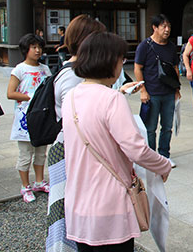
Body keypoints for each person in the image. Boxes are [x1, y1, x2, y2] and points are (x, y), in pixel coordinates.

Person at [62, 32, 171, 251]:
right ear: (109, 61)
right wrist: (163, 164)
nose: (122, 66)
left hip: (77, 201)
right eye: (122, 60)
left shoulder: (71, 97)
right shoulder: (112, 99)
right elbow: (136, 149)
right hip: (109, 203)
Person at [46, 14, 141, 252]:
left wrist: (116, 93)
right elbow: (83, 117)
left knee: (84, 214)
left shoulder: (81, 74)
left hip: (81, 147)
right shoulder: (71, 76)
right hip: (75, 149)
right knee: (81, 216)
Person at [6, 33, 52, 203]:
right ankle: (25, 185)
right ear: (26, 49)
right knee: (26, 154)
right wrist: (32, 97)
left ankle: (39, 181)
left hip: (42, 116)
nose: (38, 50)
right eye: (34, 47)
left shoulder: (45, 69)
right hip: (25, 117)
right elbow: (10, 93)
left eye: (39, 47)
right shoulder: (19, 69)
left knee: (41, 152)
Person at [135, 14, 181, 167]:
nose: (167, 30)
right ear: (155, 28)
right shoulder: (145, 46)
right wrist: (143, 90)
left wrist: (177, 88)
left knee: (167, 127)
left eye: (168, 26)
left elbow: (175, 68)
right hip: (152, 92)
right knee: (150, 128)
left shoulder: (171, 46)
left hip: (168, 92)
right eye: (163, 26)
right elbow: (138, 68)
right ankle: (150, 156)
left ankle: (164, 155)